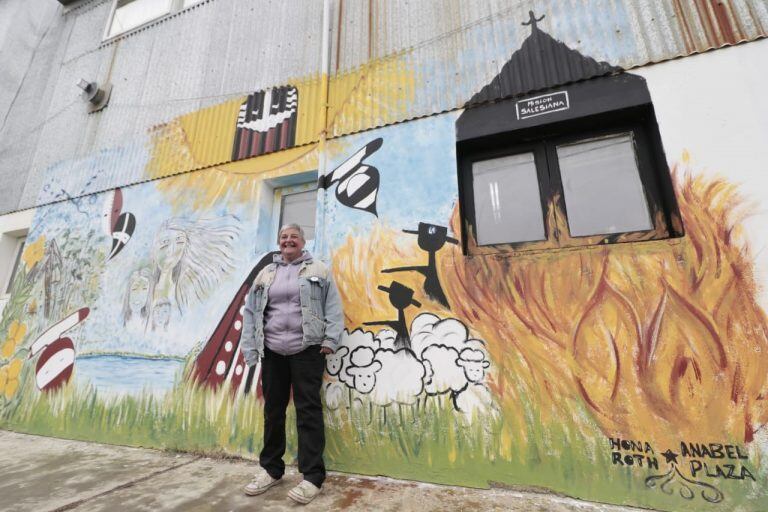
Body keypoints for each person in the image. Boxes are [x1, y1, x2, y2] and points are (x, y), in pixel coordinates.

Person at [239, 223, 344, 505]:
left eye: (293, 237)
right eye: (284, 237)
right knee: (273, 411)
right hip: (272, 351)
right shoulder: (266, 273)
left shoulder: (318, 270)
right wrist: (250, 347)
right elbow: (251, 312)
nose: (288, 241)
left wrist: (330, 340)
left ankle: (312, 477)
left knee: (308, 411)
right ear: (278, 242)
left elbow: (333, 307)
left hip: (307, 349)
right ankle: (271, 469)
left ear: (302, 241)